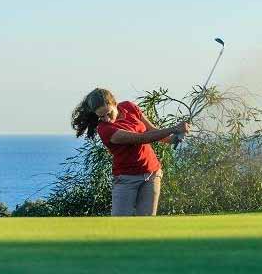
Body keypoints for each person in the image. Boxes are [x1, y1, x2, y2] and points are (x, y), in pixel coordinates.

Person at [72, 88, 189, 216]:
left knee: (147, 223)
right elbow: (141, 138)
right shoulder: (105, 129)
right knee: (120, 225)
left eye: (109, 113)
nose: (107, 119)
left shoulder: (129, 107)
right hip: (126, 179)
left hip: (152, 174)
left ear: (115, 104)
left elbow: (152, 131)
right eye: (101, 116)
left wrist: (173, 138)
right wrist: (174, 128)